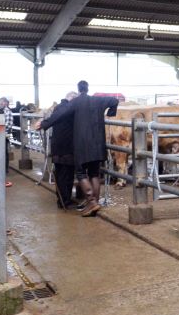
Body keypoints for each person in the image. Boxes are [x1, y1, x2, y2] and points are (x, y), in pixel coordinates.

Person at [35, 81, 118, 217]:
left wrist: (44, 124)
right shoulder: (98, 100)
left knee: (80, 173)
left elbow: (59, 115)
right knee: (94, 174)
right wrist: (111, 112)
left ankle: (91, 202)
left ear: (78, 90)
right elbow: (114, 100)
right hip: (98, 143)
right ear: (88, 88)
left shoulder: (75, 102)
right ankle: (95, 202)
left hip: (82, 145)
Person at [39, 92, 78, 209]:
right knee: (67, 174)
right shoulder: (67, 108)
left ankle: (63, 199)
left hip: (58, 146)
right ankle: (64, 201)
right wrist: (44, 124)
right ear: (72, 99)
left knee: (62, 173)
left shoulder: (59, 107)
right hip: (67, 147)